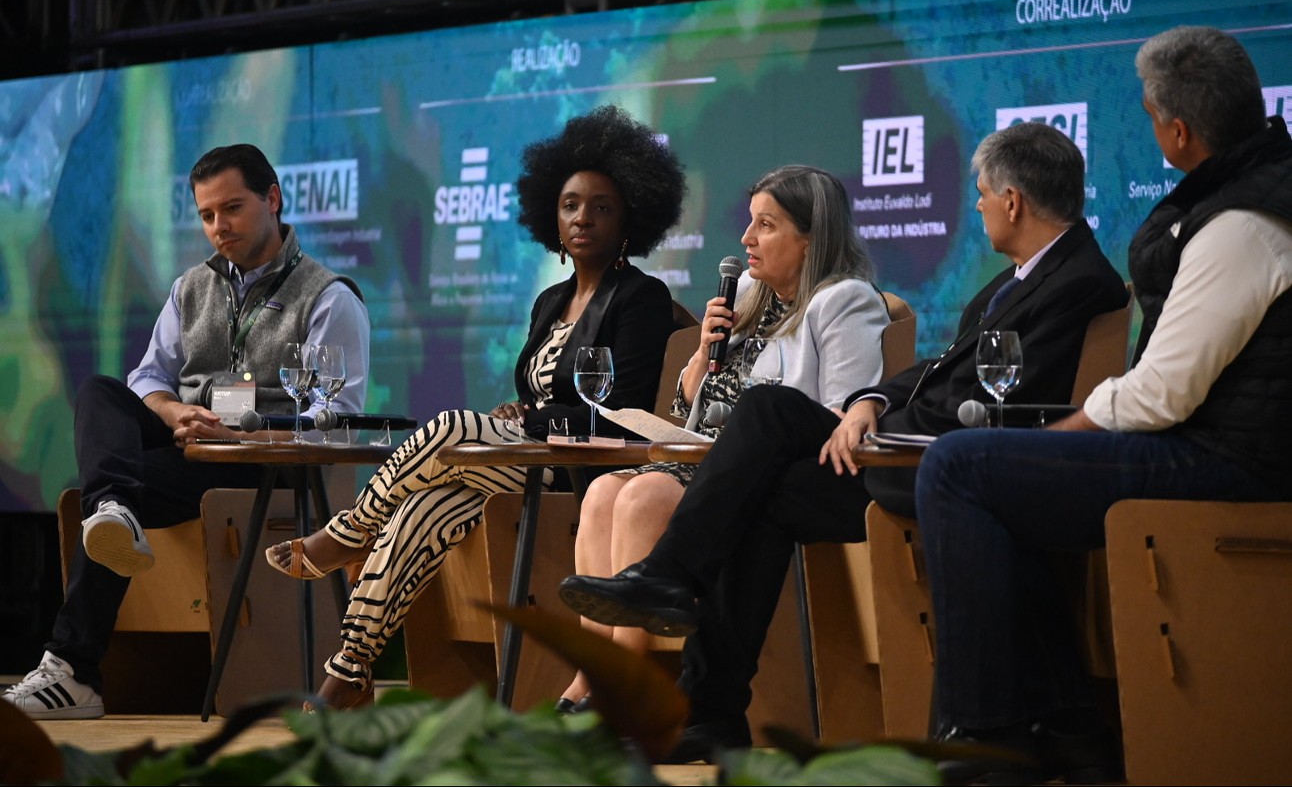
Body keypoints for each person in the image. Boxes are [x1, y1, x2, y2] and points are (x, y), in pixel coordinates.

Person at [558, 120, 1128, 761]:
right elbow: (938, 370)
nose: (978, 206)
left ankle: (668, 576)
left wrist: (871, 412)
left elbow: (1012, 403)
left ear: (1014, 201)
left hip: (936, 462)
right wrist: (871, 401)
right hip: (890, 440)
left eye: (982, 194)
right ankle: (711, 713)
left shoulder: (1080, 282)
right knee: (760, 495)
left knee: (769, 411)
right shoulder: (1010, 282)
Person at [911, 26, 1292, 785]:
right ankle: (1068, 722)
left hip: (1225, 458)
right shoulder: (1247, 198)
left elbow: (1161, 391)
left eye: (1151, 117)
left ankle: (988, 741)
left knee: (960, 469)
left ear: (1177, 131)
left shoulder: (1243, 224)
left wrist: (1070, 429)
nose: (1152, 130)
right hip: (1222, 442)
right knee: (992, 477)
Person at [261, 104, 688, 710]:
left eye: (601, 206)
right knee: (422, 511)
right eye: (570, 205)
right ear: (551, 217)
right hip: (523, 460)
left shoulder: (643, 298)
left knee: (451, 427)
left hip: (584, 470)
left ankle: (349, 531)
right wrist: (520, 410)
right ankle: (349, 672)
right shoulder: (549, 300)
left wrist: (531, 419)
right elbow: (541, 389)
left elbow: (619, 409)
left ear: (629, 220)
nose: (582, 218)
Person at [2, 143, 371, 719]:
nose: (218, 227)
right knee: (103, 392)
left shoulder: (329, 297)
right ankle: (116, 514)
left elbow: (337, 418)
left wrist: (246, 439)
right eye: (206, 215)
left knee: (111, 487)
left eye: (232, 209)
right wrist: (175, 413)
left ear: (273, 199)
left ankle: (72, 671)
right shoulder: (190, 287)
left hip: (255, 467)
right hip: (188, 447)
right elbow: (149, 375)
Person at [554, 165, 889, 713]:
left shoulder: (843, 301)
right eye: (750, 222)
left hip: (751, 474)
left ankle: (627, 685)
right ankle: (589, 676)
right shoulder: (748, 297)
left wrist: (741, 441)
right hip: (698, 455)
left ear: (810, 237)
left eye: (767, 225)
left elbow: (837, 416)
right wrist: (701, 358)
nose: (746, 240)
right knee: (600, 493)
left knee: (637, 496)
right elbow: (690, 412)